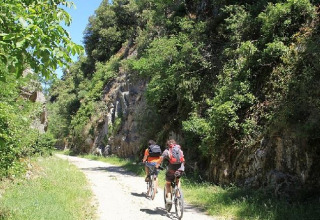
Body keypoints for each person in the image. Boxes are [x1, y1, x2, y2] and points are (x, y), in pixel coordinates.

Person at [156, 139, 185, 204]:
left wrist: (157, 165)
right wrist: (182, 167)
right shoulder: (179, 150)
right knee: (178, 180)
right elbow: (183, 159)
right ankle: (178, 194)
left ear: (168, 145)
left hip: (171, 169)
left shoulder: (167, 151)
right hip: (180, 169)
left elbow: (161, 158)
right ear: (175, 144)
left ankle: (169, 198)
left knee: (168, 183)